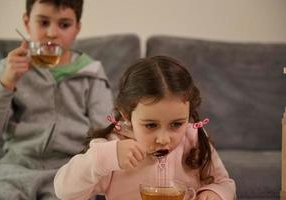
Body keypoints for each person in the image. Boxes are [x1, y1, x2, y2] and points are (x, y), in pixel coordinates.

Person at [54, 55, 236, 200]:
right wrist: (102, 158)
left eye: (176, 124)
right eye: (150, 125)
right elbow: (64, 191)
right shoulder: (113, 148)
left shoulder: (194, 140)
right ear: (127, 114)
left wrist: (215, 193)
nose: (164, 139)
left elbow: (224, 183)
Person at [0, 0, 113, 199]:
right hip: (15, 169)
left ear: (77, 28)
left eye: (64, 25)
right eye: (43, 23)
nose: (52, 33)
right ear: (27, 23)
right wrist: (6, 84)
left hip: (69, 173)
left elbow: (104, 132)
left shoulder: (92, 73)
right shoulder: (9, 68)